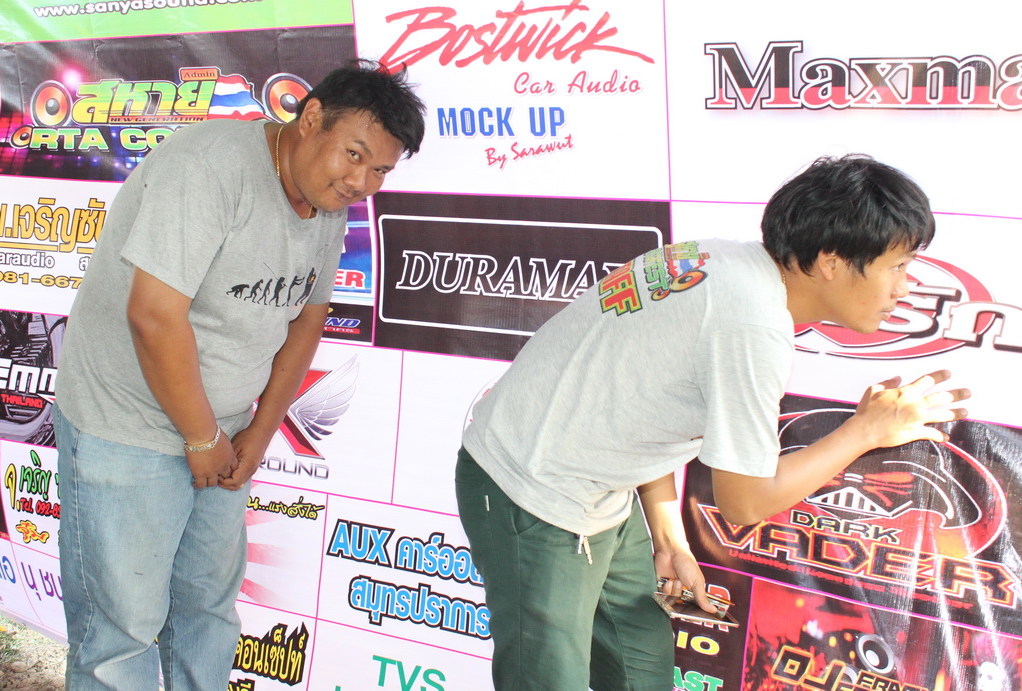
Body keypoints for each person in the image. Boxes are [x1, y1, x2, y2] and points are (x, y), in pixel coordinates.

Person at [456, 155, 970, 690]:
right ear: (831, 262)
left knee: (640, 672)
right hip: (529, 490)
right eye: (897, 266)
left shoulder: (720, 258)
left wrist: (668, 537)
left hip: (596, 485)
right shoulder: (750, 325)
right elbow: (744, 502)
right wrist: (864, 431)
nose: (904, 288)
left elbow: (634, 400)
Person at [54, 60, 425, 689]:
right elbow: (153, 316)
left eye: (380, 171)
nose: (361, 182)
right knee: (120, 634)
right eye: (354, 155)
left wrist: (258, 430)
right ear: (311, 119)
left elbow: (307, 319)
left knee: (207, 612)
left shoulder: (325, 199)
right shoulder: (208, 170)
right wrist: (202, 438)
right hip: (127, 425)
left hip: (220, 433)